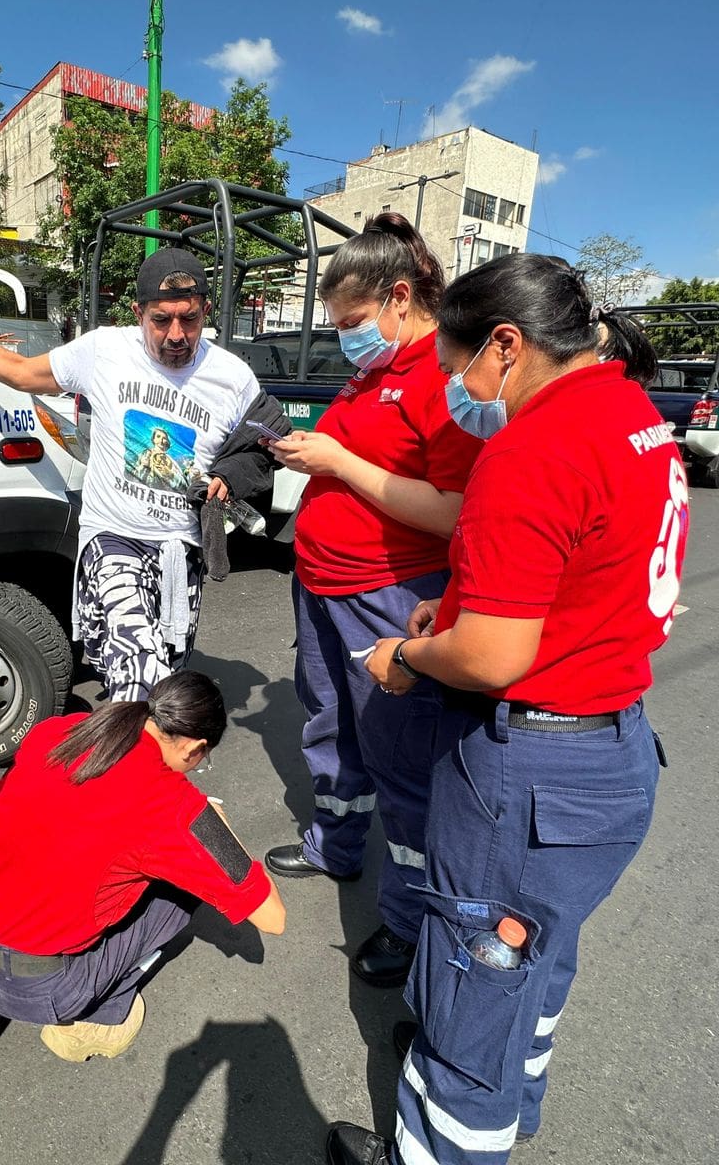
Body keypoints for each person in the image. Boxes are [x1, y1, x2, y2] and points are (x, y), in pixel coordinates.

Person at [324, 254, 687, 1165]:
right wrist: (450, 610)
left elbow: (491, 656)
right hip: (611, 749)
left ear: (506, 345)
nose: (457, 391)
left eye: (458, 370)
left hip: (532, 767)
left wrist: (407, 655)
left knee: (472, 985)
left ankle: (448, 1139)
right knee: (537, 960)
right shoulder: (632, 414)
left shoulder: (532, 447)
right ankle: (515, 1095)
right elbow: (578, 571)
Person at [259, 213, 482, 988]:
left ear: (398, 298)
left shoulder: (445, 381)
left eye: (351, 322)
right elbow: (357, 460)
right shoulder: (372, 372)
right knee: (331, 725)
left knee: (401, 755)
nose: (344, 336)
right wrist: (308, 455)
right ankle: (337, 845)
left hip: (388, 596)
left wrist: (338, 461)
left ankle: (410, 919)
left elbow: (455, 510)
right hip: (323, 582)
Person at [0, 249, 270, 701]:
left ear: (205, 310)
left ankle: (133, 754)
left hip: (181, 547)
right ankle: (126, 760)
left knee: (167, 673)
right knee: (139, 674)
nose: (177, 335)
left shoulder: (233, 377)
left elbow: (261, 445)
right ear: (138, 312)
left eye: (190, 319)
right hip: (114, 536)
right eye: (161, 320)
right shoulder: (104, 350)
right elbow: (21, 373)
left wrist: (232, 473)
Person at [0, 671, 286, 1062]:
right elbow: (272, 918)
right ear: (195, 747)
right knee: (182, 891)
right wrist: (217, 832)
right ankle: (90, 1020)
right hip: (41, 980)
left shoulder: (70, 729)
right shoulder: (173, 806)